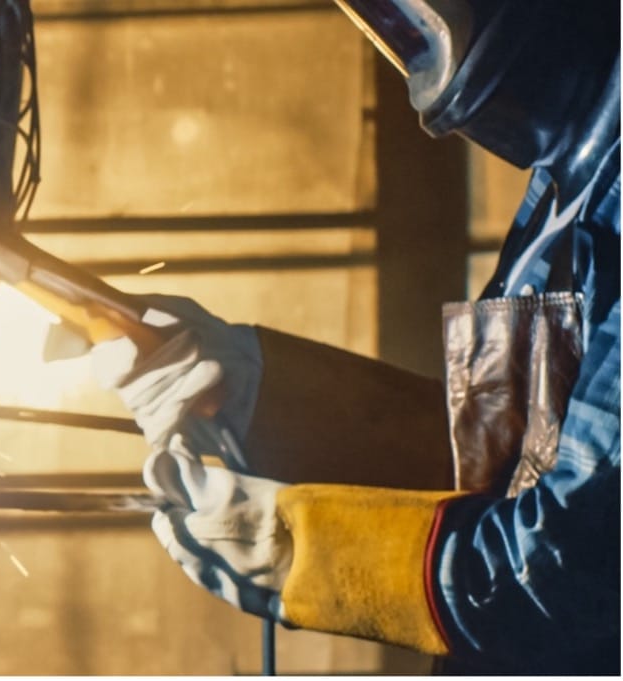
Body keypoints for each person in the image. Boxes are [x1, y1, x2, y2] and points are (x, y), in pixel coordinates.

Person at [92, 0, 620, 674]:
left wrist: (313, 551)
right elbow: (488, 473)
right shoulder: (565, 188)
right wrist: (255, 394)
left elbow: (573, 564)